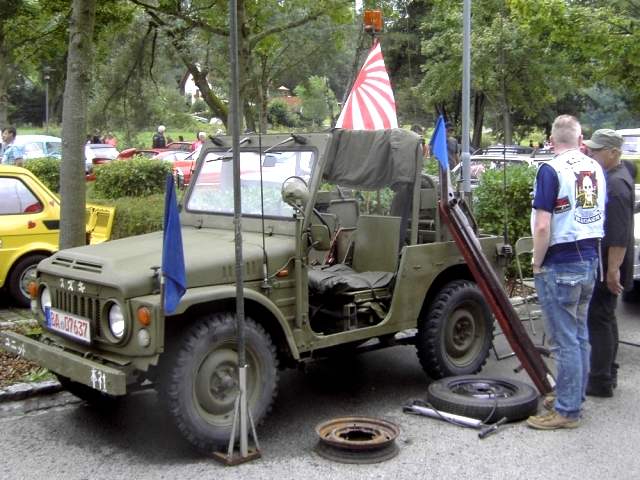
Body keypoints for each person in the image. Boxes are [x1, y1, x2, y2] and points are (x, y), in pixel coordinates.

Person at [527, 115, 606, 430]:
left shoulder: (551, 169)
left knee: (564, 340)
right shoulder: (594, 167)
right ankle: (573, 395)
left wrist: (536, 261)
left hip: (560, 261)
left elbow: (544, 224)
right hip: (589, 257)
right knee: (579, 333)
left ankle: (567, 410)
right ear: (580, 138)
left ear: (551, 139)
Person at [583, 129, 634, 398]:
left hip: (609, 262)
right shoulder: (619, 174)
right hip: (611, 261)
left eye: (596, 150)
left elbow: (618, 233)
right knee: (606, 316)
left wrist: (613, 270)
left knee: (599, 319)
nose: (591, 153)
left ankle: (600, 380)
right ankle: (609, 372)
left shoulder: (616, 184)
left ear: (613, 152)